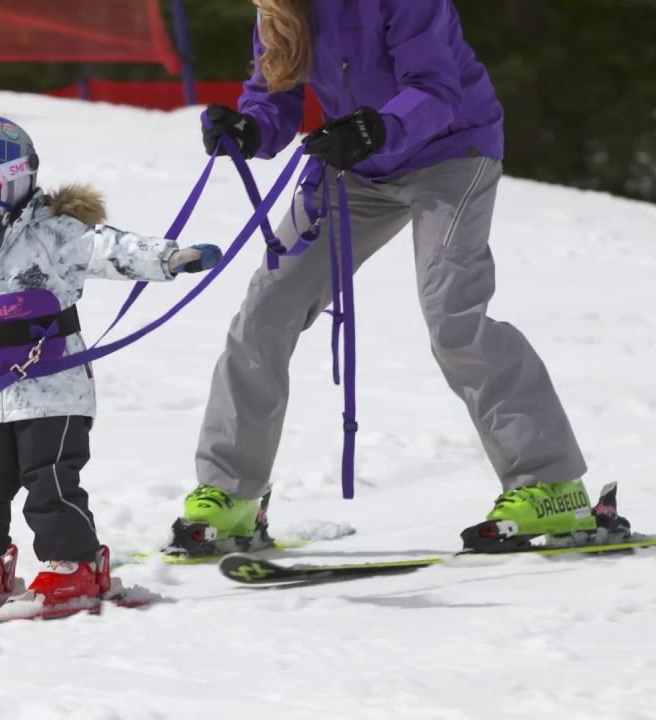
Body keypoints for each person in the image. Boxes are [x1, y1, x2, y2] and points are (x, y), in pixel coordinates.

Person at [168, 0, 593, 557]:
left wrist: (378, 128)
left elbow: (438, 90)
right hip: (357, 166)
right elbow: (276, 93)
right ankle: (231, 497)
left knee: (452, 316)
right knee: (265, 312)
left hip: (450, 152)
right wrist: (248, 128)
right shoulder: (280, 7)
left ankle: (551, 485)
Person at [0, 114, 224, 604]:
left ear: (12, 179)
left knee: (49, 482)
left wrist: (171, 258)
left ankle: (77, 566)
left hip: (55, 393)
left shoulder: (54, 234)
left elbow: (109, 248)